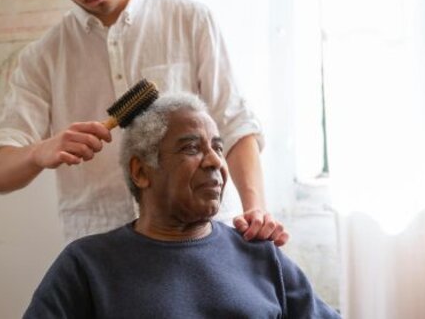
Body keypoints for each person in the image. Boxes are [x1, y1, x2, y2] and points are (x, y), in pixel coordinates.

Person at [0, 0, 288, 245]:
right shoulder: (42, 58)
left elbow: (235, 124)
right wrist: (40, 151)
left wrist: (255, 209)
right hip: (102, 250)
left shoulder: (190, 21)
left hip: (202, 238)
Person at [23, 93, 340, 318]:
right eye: (191, 148)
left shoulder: (259, 253)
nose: (215, 161)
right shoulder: (87, 266)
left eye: (218, 148)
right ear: (141, 172)